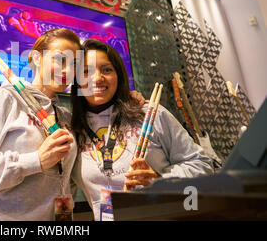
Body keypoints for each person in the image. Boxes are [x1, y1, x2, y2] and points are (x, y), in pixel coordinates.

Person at [70, 39, 214, 220]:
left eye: (107, 69)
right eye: (86, 71)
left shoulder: (150, 114)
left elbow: (201, 164)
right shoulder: (73, 130)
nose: (97, 78)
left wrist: (160, 180)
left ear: (119, 76)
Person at [0, 28, 80, 221]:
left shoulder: (65, 118)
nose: (67, 70)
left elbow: (65, 184)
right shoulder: (5, 100)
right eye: (60, 60)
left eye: (74, 64)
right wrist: (35, 161)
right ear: (36, 58)